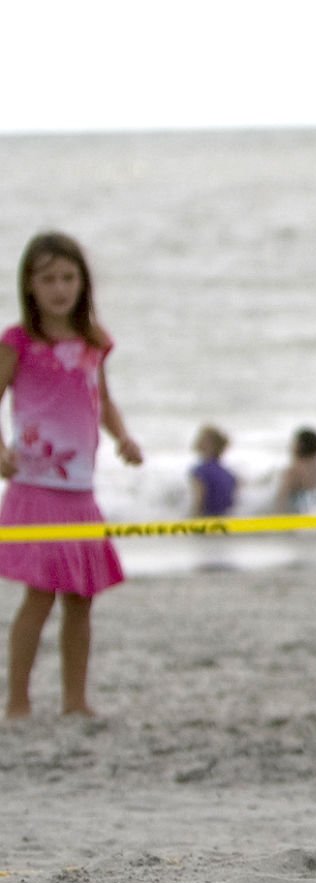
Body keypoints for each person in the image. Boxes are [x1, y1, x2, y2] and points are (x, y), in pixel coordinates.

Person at [0, 232, 143, 719]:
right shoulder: (18, 343)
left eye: (68, 277)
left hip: (80, 490)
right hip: (36, 488)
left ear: (82, 283)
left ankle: (75, 701)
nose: (59, 288)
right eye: (48, 279)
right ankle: (17, 702)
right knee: (39, 599)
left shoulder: (93, 342)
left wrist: (123, 437)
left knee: (81, 600)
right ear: (30, 286)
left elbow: (101, 399)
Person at [270, 425, 316, 513]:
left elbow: (280, 500)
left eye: (294, 443)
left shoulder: (293, 471)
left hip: (300, 516)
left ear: (300, 446)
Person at [187, 423, 237, 518]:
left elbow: (200, 500)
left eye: (200, 438)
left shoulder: (201, 471)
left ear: (209, 444)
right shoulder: (230, 474)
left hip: (207, 521)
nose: (197, 440)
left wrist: (193, 520)